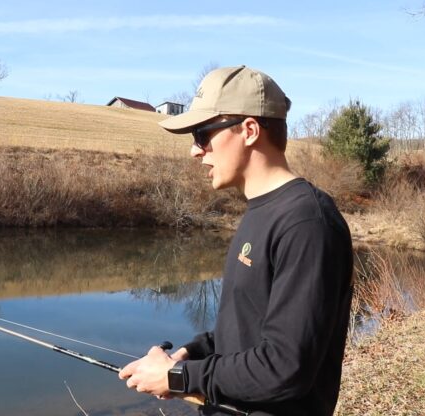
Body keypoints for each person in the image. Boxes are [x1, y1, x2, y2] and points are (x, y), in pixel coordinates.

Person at [118, 65, 354, 415]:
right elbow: (247, 325)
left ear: (249, 130)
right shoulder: (262, 211)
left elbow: (285, 367)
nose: (196, 151)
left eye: (202, 134)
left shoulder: (306, 223)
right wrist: (190, 354)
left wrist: (180, 377)